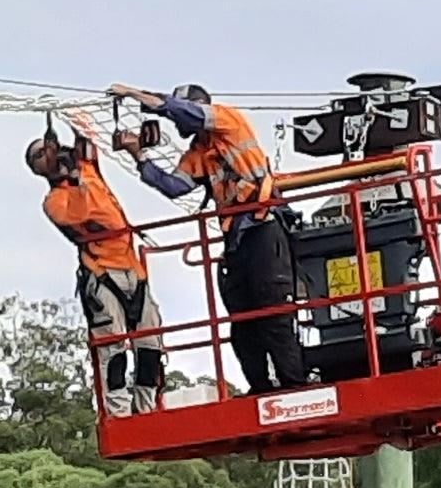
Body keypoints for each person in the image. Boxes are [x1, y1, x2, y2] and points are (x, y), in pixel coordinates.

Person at [110, 83, 311, 394]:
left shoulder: (228, 121)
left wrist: (137, 95)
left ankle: (294, 387)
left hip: (263, 227)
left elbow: (184, 112)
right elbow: (174, 186)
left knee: (273, 312)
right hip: (237, 238)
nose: (178, 125)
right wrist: (139, 156)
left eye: (182, 114)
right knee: (242, 323)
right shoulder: (198, 153)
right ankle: (261, 389)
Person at [27, 117, 163, 416]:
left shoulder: (87, 168)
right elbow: (85, 221)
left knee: (151, 341)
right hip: (102, 273)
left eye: (49, 146)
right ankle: (120, 412)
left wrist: (73, 119)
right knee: (113, 346)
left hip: (132, 268)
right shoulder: (54, 201)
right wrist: (75, 176)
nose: (51, 152)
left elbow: (87, 141)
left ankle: (148, 407)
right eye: (42, 152)